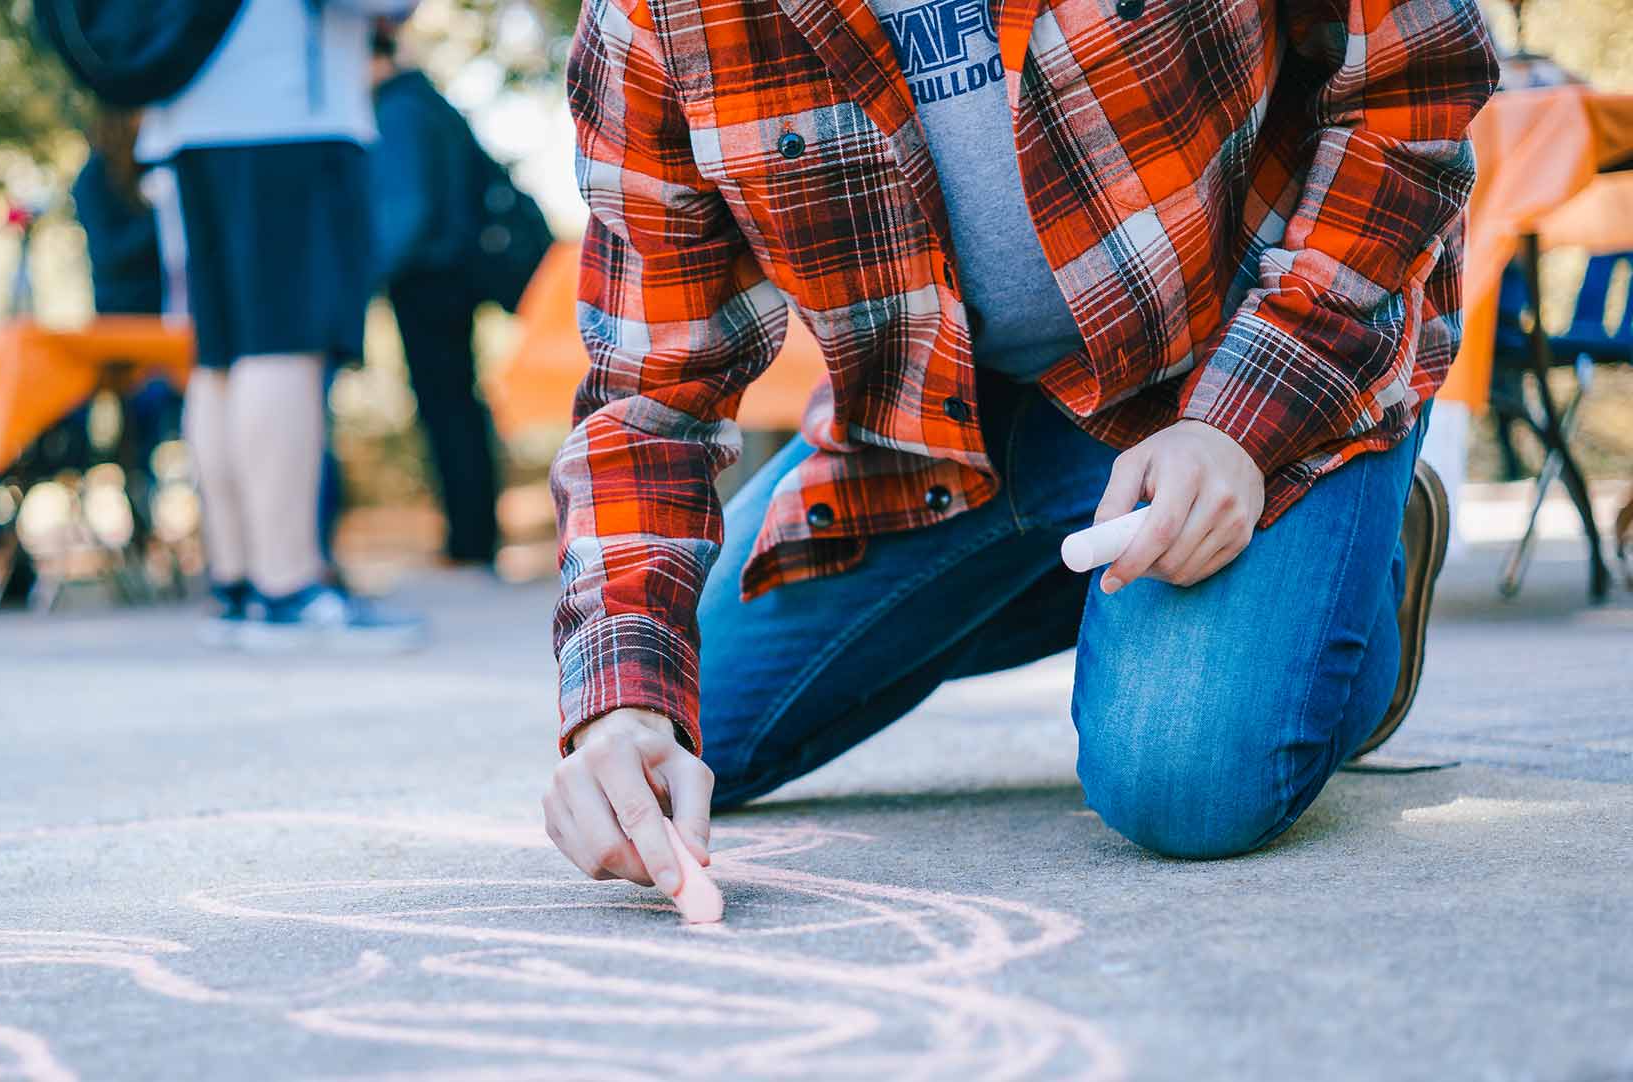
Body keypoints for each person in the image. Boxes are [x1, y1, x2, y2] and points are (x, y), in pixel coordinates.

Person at [541, 0, 1499, 889]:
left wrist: (1240, 424)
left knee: (1188, 778)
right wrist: (621, 702)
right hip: (944, 435)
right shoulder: (654, 15)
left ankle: (1351, 552)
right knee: (688, 740)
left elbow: (1417, 81)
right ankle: (1105, 564)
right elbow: (650, 392)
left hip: (1233, 368)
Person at [137, 0, 424, 651]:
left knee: (221, 356)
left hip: (185, 116)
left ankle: (239, 583)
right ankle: (288, 586)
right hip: (287, 114)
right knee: (283, 347)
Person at [363, 24, 505, 570]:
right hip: (455, 275)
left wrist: (371, 276)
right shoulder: (430, 103)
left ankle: (466, 542)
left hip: (426, 279)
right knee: (460, 404)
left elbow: (405, 210)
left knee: (444, 406)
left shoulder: (397, 109)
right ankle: (474, 535)